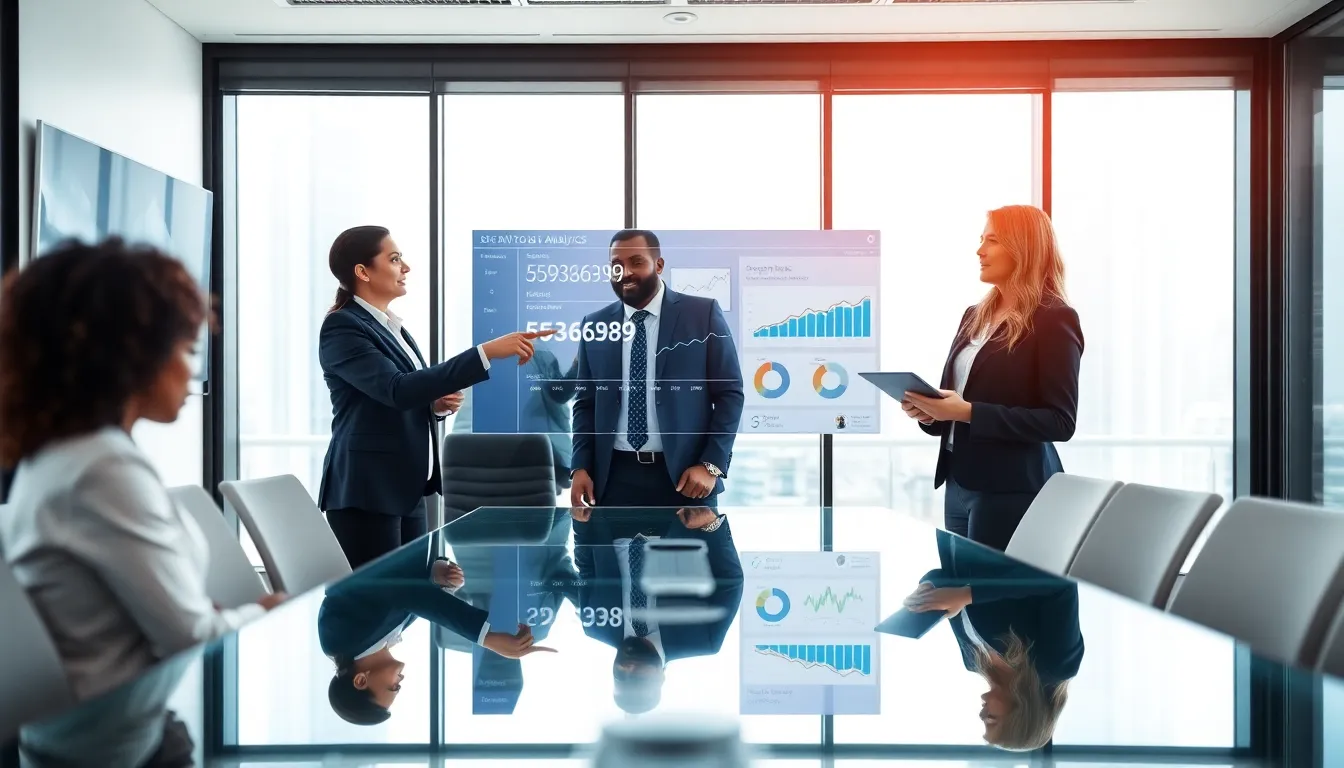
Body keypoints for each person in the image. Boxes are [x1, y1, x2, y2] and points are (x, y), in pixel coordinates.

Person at [0, 239, 286, 705]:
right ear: (133, 355)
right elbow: (193, 637)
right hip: (125, 738)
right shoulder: (103, 469)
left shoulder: (65, 455)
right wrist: (265, 610)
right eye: (187, 349)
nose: (194, 370)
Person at [318, 225, 553, 569]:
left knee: (410, 597)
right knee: (380, 607)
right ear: (363, 272)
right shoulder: (343, 326)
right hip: (367, 492)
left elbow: (397, 394)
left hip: (406, 489)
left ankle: (483, 626)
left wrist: (433, 406)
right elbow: (396, 389)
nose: (406, 267)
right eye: (394, 259)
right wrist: (484, 353)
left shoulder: (389, 327)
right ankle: (483, 626)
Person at [901, 205, 1084, 551]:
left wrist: (965, 412)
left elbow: (1060, 422)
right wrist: (930, 412)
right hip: (957, 480)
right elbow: (958, 398)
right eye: (981, 239)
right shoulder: (974, 316)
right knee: (959, 591)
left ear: (1023, 248)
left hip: (1009, 489)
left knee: (987, 599)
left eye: (993, 240)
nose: (979, 250)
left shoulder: (1054, 319)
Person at [570, 230, 745, 509]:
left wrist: (710, 465)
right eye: (617, 265)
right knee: (604, 553)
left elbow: (730, 394)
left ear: (659, 265)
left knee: (701, 554)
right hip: (612, 480)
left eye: (636, 262)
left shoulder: (703, 314)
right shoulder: (595, 325)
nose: (625, 272)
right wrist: (580, 466)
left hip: (686, 478)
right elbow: (585, 404)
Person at [318, 532, 555, 725]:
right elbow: (406, 591)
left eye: (394, 687)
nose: (401, 680)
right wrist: (436, 576)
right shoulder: (384, 638)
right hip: (406, 520)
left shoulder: (338, 641)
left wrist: (485, 636)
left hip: (376, 509)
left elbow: (399, 591)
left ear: (360, 681)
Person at [904, 529, 1081, 751]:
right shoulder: (1056, 665)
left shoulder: (973, 662)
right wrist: (969, 595)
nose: (981, 713)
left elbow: (951, 582)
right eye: (990, 719)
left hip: (953, 535)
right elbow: (1059, 584)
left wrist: (927, 588)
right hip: (1004, 530)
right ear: (1021, 715)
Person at [571, 506, 743, 714]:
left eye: (620, 677)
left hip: (611, 510)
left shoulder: (596, 627)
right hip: (683, 513)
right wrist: (711, 526)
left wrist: (581, 525)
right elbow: (730, 583)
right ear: (661, 678)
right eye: (639, 680)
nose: (628, 669)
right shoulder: (703, 641)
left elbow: (586, 569)